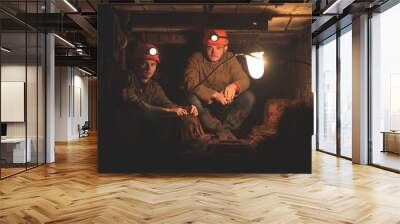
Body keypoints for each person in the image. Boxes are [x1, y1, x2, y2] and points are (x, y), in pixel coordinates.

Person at [183, 29, 256, 140]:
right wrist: (214, 95)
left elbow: (244, 80)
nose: (214, 52)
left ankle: (228, 128)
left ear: (225, 49)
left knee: (249, 97)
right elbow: (190, 83)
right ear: (204, 47)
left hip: (226, 106)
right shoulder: (196, 58)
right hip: (206, 107)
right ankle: (220, 131)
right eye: (210, 48)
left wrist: (234, 86)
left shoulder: (230, 58)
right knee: (191, 98)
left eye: (219, 48)